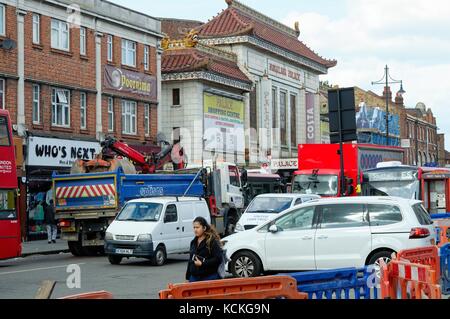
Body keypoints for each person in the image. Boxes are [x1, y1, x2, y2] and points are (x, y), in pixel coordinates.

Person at [186, 217, 223, 282]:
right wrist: (188, 277)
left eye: (197, 227)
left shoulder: (211, 242)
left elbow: (218, 259)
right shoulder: (193, 242)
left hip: (209, 277)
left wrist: (202, 263)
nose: (195, 230)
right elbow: (190, 260)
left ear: (204, 228)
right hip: (194, 277)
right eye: (194, 227)